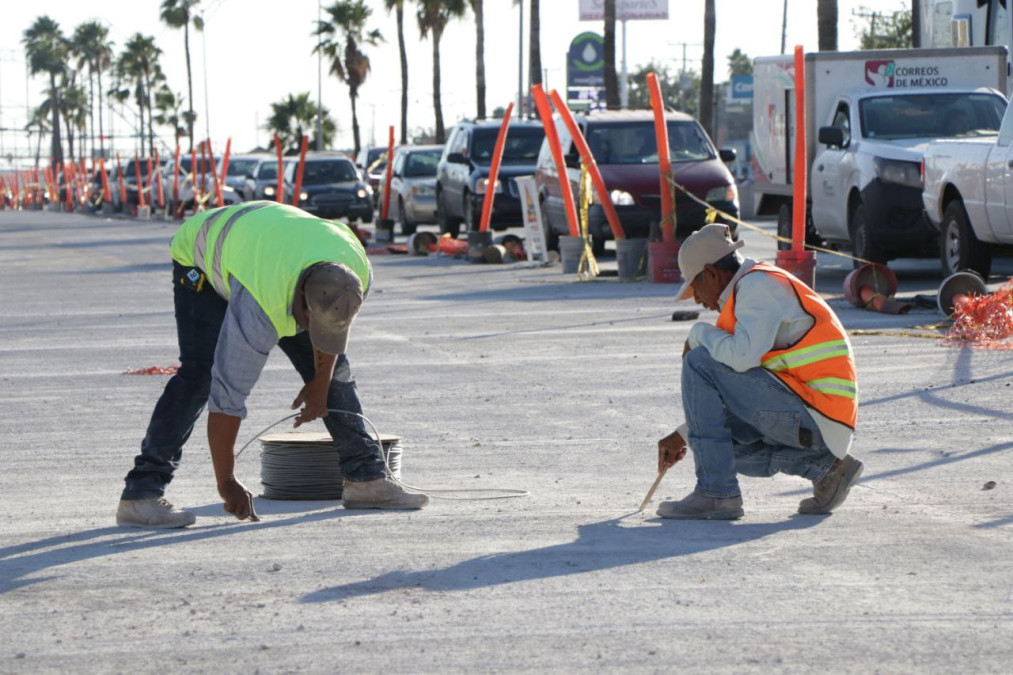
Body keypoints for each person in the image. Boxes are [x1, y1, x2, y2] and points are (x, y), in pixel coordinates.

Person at [116, 201, 428, 529]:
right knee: (200, 374)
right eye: (312, 324)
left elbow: (333, 331)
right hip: (204, 252)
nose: (315, 333)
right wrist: (227, 482)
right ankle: (141, 494)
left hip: (273, 242)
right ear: (300, 302)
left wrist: (321, 384)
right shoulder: (261, 307)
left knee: (337, 374)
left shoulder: (356, 275)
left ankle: (367, 480)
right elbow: (227, 398)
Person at [656, 224, 862, 520]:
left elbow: (742, 359)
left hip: (817, 414)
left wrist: (698, 333)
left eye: (695, 289)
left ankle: (716, 493)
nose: (698, 300)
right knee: (723, 450)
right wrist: (683, 435)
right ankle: (828, 470)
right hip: (817, 416)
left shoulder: (758, 287)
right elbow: (745, 387)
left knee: (699, 361)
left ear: (711, 274)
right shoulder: (750, 290)